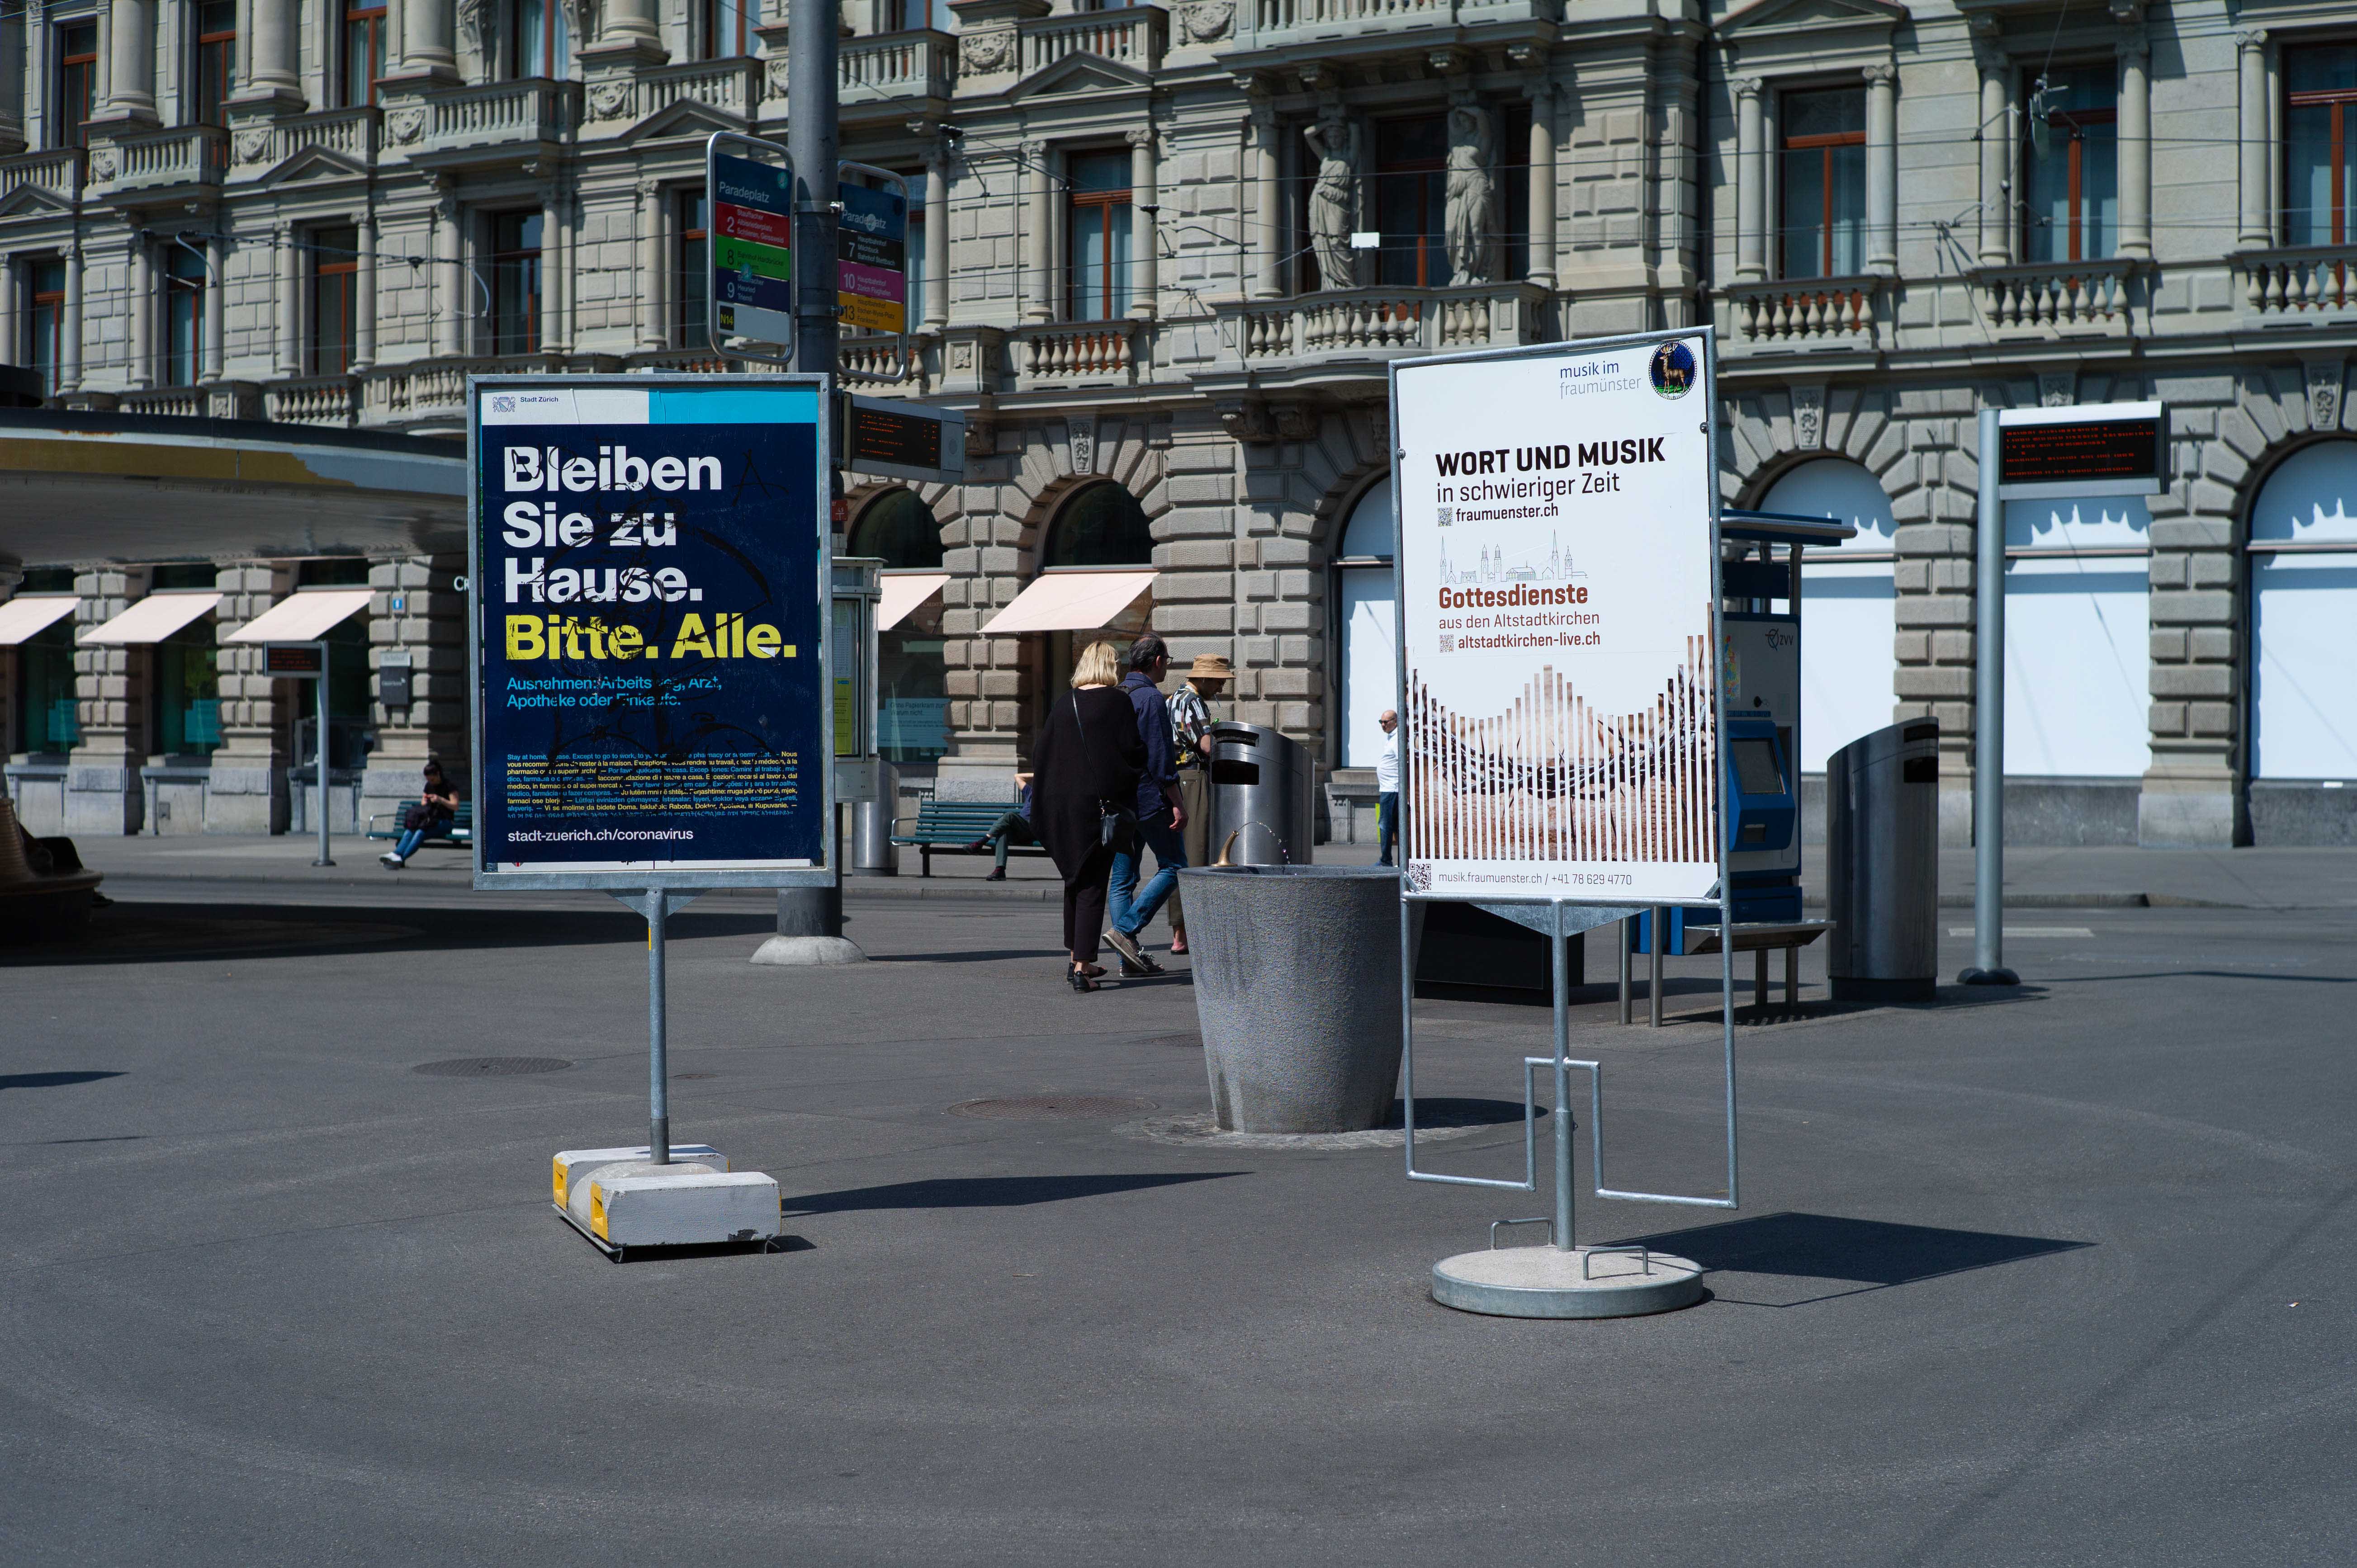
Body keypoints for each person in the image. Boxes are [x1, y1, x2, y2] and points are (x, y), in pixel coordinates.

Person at [1028, 641, 1145, 992]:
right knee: (1094, 884)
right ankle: (1083, 968)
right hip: (1098, 808)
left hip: (1062, 810)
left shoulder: (1066, 703)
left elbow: (1042, 756)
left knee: (1074, 880)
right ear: (1109, 665)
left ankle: (1075, 960)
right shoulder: (1117, 702)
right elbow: (1132, 754)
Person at [1104, 634, 1188, 978]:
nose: (1167, 665)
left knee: (1122, 880)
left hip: (1122, 800)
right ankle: (1126, 930)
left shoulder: (1119, 694)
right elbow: (1160, 756)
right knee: (1174, 865)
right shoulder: (1152, 699)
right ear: (1156, 661)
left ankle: (1129, 960)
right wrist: (1178, 802)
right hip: (1150, 800)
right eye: (1167, 660)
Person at [1163, 653, 1230, 954]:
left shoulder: (1173, 698)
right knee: (1196, 854)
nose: (1221, 687)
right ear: (1202, 678)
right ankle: (1185, 935)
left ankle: (1181, 931)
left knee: (1181, 857)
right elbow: (1205, 745)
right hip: (1193, 778)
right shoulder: (1193, 701)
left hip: (1177, 778)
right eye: (1218, 681)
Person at [380, 759, 459, 869]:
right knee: (409, 831)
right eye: (428, 780)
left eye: (432, 779)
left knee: (420, 833)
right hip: (429, 821)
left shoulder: (449, 786)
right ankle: (396, 855)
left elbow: (455, 806)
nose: (431, 782)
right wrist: (426, 801)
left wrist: (441, 800)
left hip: (445, 822)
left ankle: (400, 859)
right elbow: (423, 803)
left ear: (438, 774)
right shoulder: (429, 786)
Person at [967, 772, 1035, 882]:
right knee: (1003, 831)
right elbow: (1017, 776)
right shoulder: (1030, 792)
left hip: (1032, 829)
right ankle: (1000, 870)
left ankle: (982, 842)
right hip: (1020, 830)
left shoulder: (1049, 797)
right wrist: (1038, 774)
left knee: (1009, 816)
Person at [1375, 708, 1401, 867]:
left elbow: (1402, 763)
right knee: (1392, 826)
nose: (1383, 725)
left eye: (1386, 722)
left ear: (1395, 722)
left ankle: (1386, 861)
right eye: (1381, 722)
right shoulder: (1391, 738)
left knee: (1386, 826)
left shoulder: (1397, 739)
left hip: (1392, 789)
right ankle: (1395, 861)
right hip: (1388, 788)